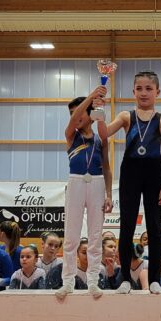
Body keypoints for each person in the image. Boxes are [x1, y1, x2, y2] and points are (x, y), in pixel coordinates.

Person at [103, 70, 161, 295]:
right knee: (127, 226)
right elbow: (104, 133)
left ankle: (154, 280)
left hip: (154, 173)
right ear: (133, 91)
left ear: (157, 92)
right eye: (139, 89)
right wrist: (98, 111)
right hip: (130, 171)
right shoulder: (126, 116)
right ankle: (125, 279)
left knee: (154, 227)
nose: (144, 93)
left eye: (149, 89)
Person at [57, 88, 112, 299]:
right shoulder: (71, 135)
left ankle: (93, 281)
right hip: (76, 182)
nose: (76, 116)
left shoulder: (100, 139)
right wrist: (91, 97)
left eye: (80, 112)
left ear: (90, 114)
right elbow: (73, 121)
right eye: (72, 113)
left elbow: (106, 167)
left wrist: (109, 194)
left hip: (97, 183)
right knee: (71, 236)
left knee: (95, 236)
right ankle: (68, 281)